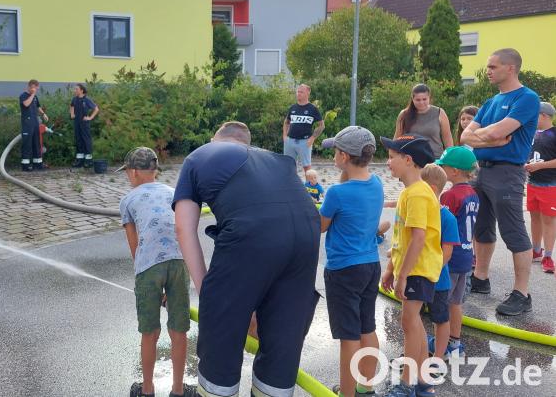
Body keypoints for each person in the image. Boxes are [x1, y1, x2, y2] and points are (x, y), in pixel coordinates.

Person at [174, 121, 320, 397]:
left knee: (222, 343)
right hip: (307, 231)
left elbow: (183, 227)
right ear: (247, 142)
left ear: (215, 138)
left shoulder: (200, 155)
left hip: (252, 232)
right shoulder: (275, 160)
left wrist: (209, 295)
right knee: (282, 340)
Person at [460, 48, 539, 316]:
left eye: (493, 66)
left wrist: (488, 135)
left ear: (511, 68)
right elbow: (465, 137)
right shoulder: (491, 102)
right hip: (481, 170)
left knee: (513, 230)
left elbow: (497, 131)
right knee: (481, 227)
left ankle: (521, 293)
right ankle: (480, 279)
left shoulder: (527, 98)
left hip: (508, 172)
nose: (489, 70)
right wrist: (491, 138)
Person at [118, 147, 197, 397]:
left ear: (133, 172)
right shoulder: (173, 192)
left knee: (150, 331)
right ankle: (177, 390)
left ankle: (148, 389)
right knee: (179, 330)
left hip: (148, 266)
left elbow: (135, 245)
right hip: (178, 261)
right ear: (154, 170)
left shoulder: (128, 200)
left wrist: (145, 274)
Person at [318, 126, 383, 397]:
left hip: (343, 270)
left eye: (335, 151)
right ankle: (365, 387)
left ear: (344, 156)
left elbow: (321, 226)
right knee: (367, 326)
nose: (333, 155)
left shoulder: (336, 193)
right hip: (370, 265)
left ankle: (346, 393)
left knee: (348, 337)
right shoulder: (377, 183)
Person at [379, 134, 441, 397]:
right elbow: (401, 238)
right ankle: (423, 381)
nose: (387, 162)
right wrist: (391, 269)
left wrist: (402, 275)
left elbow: (417, 238)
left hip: (418, 269)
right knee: (413, 323)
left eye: (392, 157)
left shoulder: (417, 194)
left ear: (408, 160)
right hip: (413, 268)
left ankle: (407, 385)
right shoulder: (410, 192)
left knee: (409, 322)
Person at [435, 145, 480, 358]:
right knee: (457, 302)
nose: (440, 170)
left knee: (442, 301)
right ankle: (455, 342)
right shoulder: (473, 194)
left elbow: (441, 226)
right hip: (466, 255)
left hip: (450, 256)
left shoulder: (450, 196)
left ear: (453, 171)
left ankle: (441, 345)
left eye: (442, 167)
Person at [419, 164, 461, 371]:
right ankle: (417, 353)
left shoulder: (446, 217)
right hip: (418, 276)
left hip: (437, 279)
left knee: (440, 318)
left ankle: (439, 356)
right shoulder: (418, 212)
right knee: (414, 317)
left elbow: (448, 252)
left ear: (432, 189)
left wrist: (432, 271)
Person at [524, 102, 556, 274]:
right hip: (532, 183)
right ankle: (536, 250)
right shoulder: (532, 133)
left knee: (549, 221)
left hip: (550, 185)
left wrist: (541, 166)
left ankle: (549, 256)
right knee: (535, 218)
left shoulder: (554, 133)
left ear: (544, 115)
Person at [394, 84, 454, 158]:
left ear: (429, 98)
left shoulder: (440, 113)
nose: (421, 103)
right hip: (411, 160)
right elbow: (396, 140)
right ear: (412, 99)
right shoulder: (404, 115)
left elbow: (448, 140)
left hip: (435, 159)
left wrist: (451, 159)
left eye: (424, 99)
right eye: (418, 100)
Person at [283, 84, 325, 175]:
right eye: (298, 92)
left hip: (305, 142)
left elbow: (321, 125)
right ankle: (291, 187)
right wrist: (284, 136)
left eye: (301, 92)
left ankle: (309, 187)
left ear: (308, 93)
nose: (298, 94)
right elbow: (286, 122)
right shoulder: (293, 108)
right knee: (288, 165)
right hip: (290, 141)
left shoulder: (313, 109)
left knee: (307, 168)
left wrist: (313, 138)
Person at [19, 79, 48, 171]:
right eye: (33, 88)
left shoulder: (35, 97)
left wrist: (43, 114)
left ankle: (38, 163)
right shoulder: (23, 96)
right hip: (27, 123)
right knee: (27, 144)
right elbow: (26, 104)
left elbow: (38, 106)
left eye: (36, 88)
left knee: (36, 143)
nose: (35, 90)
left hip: (35, 122)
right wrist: (32, 95)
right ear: (30, 87)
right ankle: (25, 165)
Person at [70, 83, 99, 168]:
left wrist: (90, 117)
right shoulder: (74, 99)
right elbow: (71, 106)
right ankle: (80, 160)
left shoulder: (87, 99)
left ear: (81, 90)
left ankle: (88, 160)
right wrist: (72, 114)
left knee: (86, 140)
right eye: (75, 89)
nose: (75, 91)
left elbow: (96, 109)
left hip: (84, 123)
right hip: (77, 123)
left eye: (76, 89)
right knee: (78, 140)